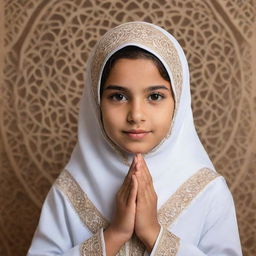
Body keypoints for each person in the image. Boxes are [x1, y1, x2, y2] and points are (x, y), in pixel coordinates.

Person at [27, 22, 242, 256]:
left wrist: (153, 234)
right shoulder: (70, 190)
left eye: (155, 96)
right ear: (96, 102)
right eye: (118, 96)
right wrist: (114, 234)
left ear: (178, 102)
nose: (136, 115)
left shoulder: (207, 191)